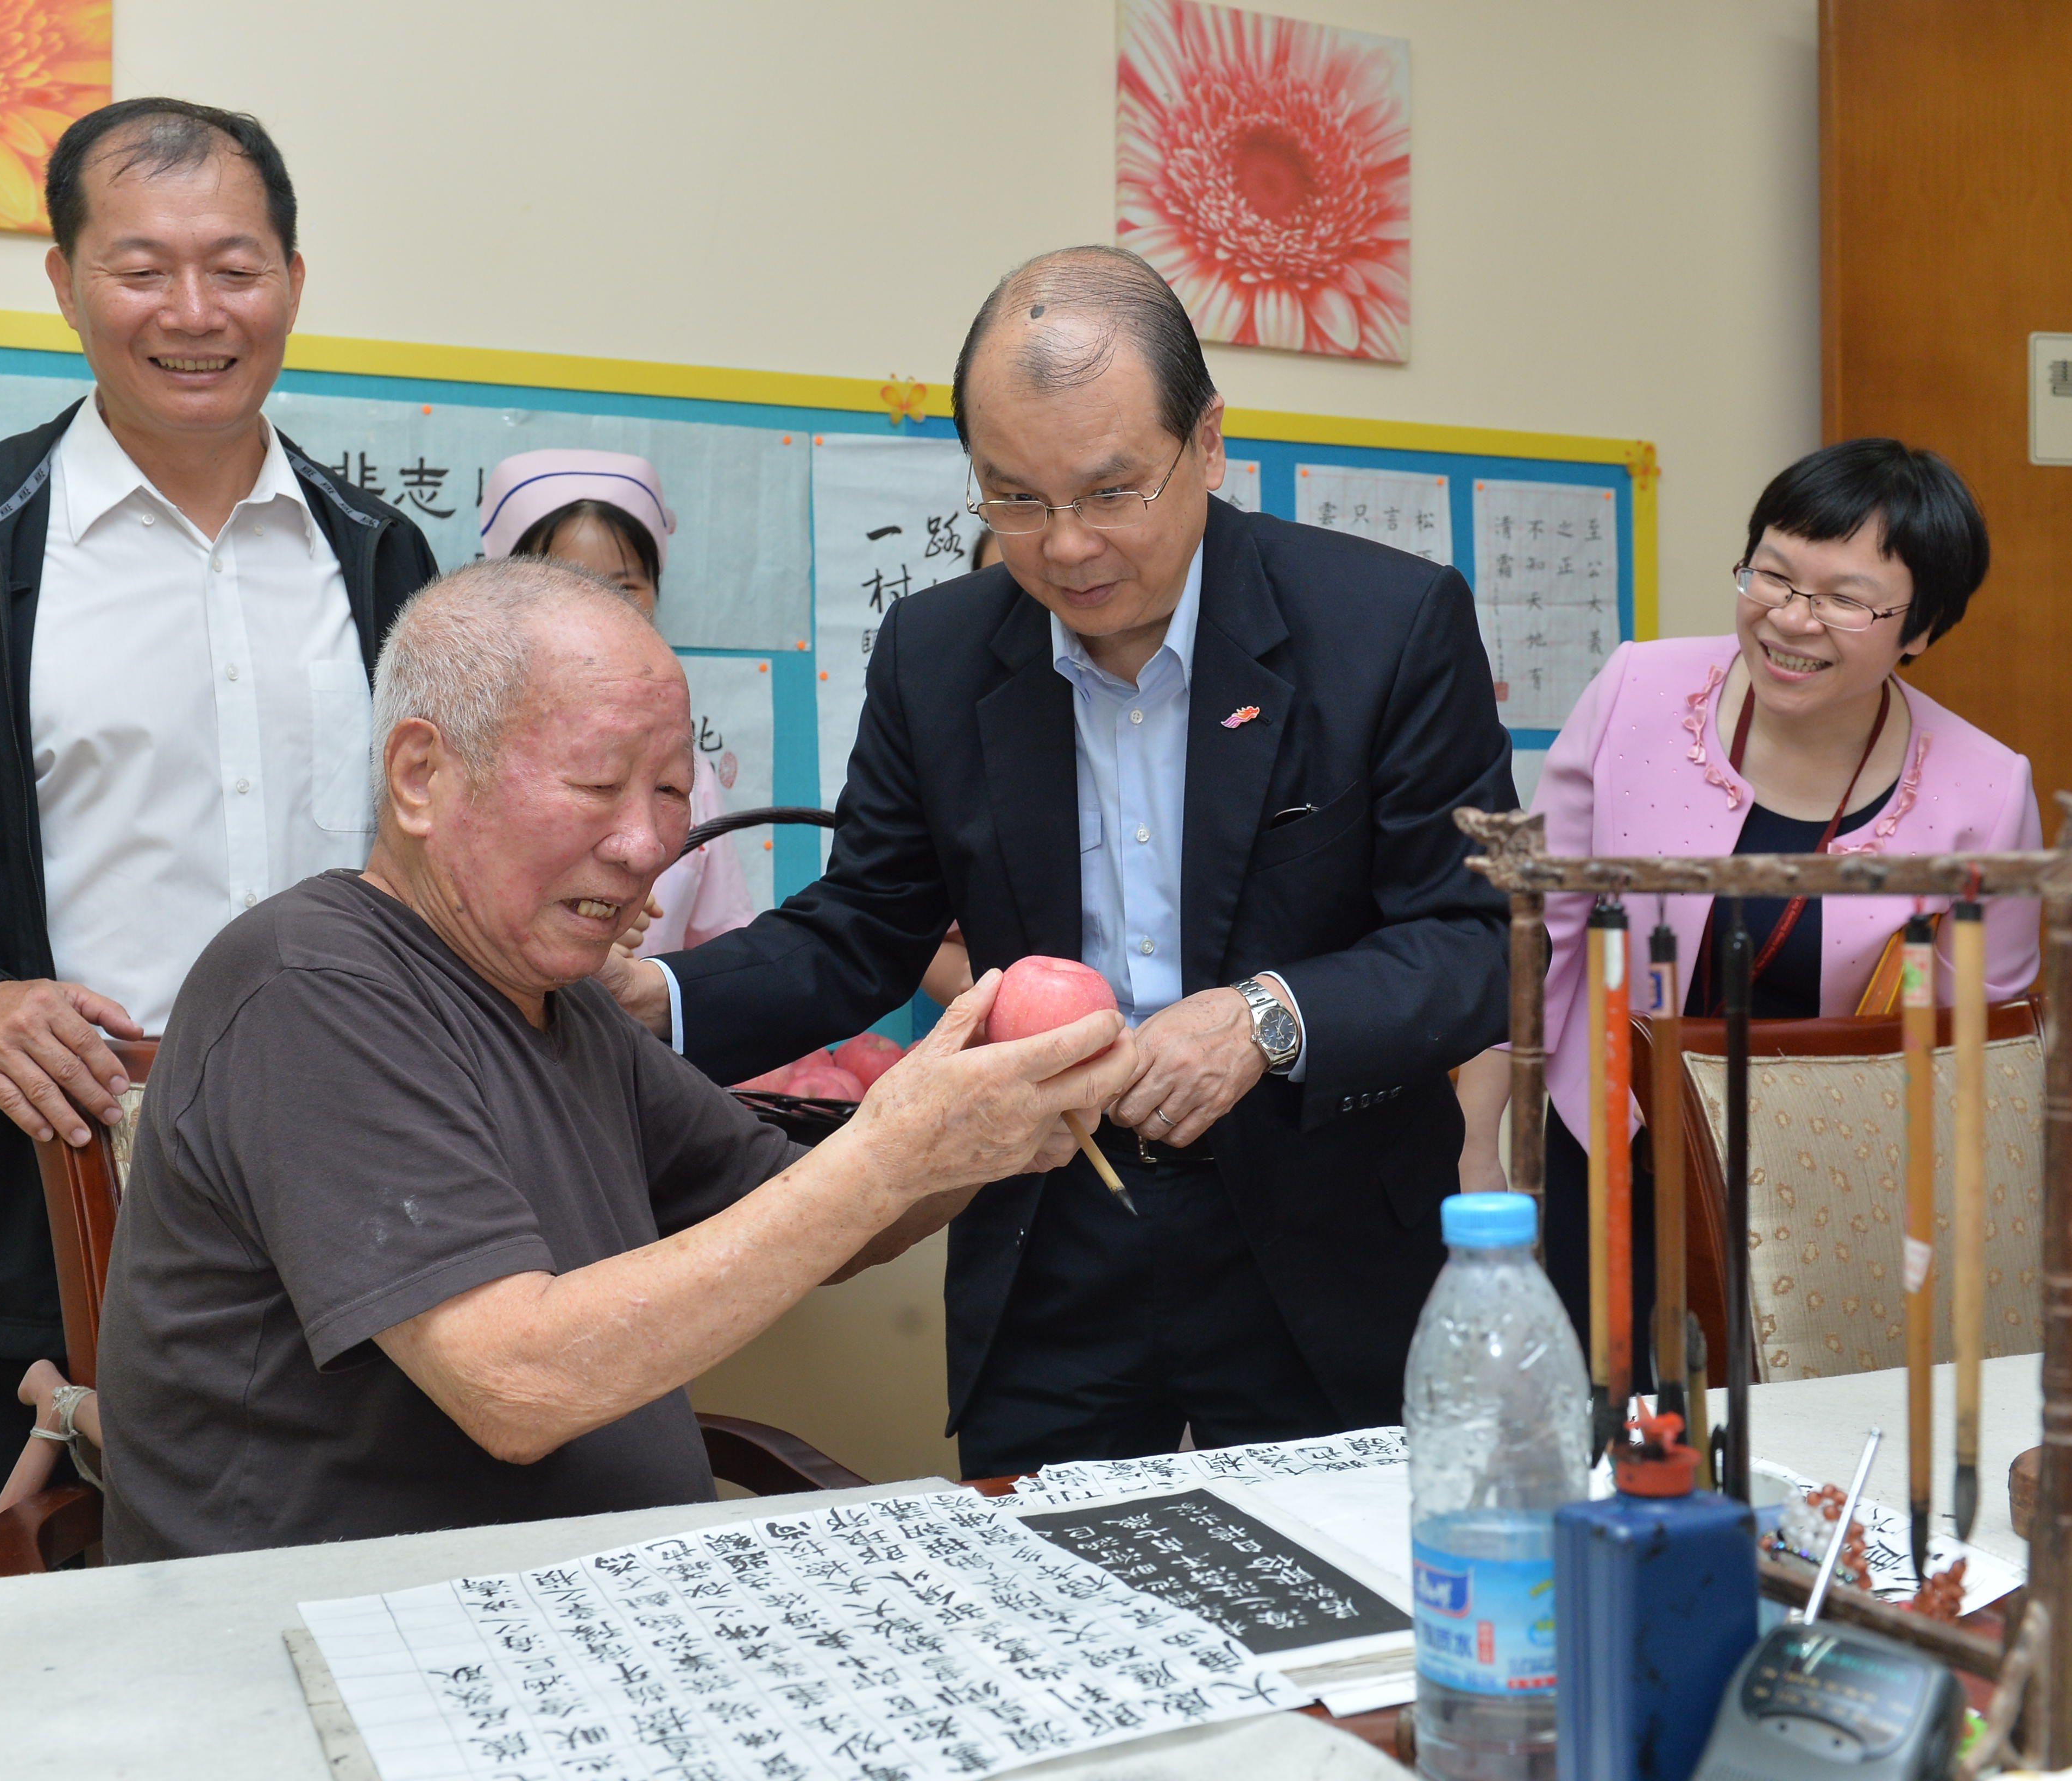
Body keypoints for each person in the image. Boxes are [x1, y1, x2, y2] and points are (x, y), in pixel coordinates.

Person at [603, 245, 1516, 1476]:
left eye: (1110, 490)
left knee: (1347, 1632)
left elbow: (1472, 944)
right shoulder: (938, 653)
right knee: (1033, 1609)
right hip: (1052, 1236)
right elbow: (864, 924)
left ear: (1207, 443)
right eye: (1015, 498)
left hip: (1319, 1239)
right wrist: (648, 1010)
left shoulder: (1385, 627)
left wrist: (1268, 1017)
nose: (1067, 547)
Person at [93, 559, 1135, 1559]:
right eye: (597, 784)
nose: (647, 847)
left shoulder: (561, 1004)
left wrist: (988, 1120)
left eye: (674, 792)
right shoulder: (309, 985)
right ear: (419, 775)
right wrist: (896, 1155)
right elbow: (513, 1384)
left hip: (599, 1600)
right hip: (348, 1641)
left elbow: (810, 1210)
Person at [0, 98, 438, 1583]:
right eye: (142, 268)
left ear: (295, 283)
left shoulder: (384, 561)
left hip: (358, 1204)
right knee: (34, 1636)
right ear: (63, 282)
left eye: (235, 267)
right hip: (27, 1209)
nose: (194, 313)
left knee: (351, 1599)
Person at [1488, 439, 2042, 1343]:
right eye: (1773, 576)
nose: (1791, 619)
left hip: (1825, 1183)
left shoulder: (1984, 789)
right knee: (1607, 1430)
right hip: (1607, 1137)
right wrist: (1500, 1134)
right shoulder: (1638, 688)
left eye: (1846, 600)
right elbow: (1539, 927)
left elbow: (1968, 1047)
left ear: (1921, 630)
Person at [481, 449, 755, 956]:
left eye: (626, 586)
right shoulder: (477, 761)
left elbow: (723, 944)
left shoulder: (692, 778)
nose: (601, 609)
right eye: (568, 584)